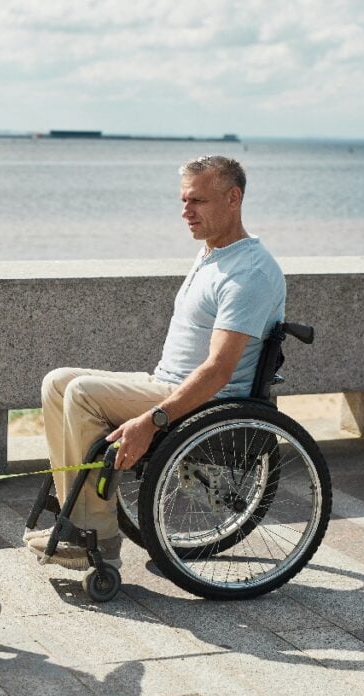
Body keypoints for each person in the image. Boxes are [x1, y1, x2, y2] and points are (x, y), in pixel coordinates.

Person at [27, 155, 286, 569]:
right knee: (57, 382)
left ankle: (97, 538)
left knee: (82, 395)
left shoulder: (249, 273)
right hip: (168, 381)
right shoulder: (213, 255)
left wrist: (152, 421)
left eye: (197, 201)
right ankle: (74, 510)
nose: (186, 212)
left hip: (210, 403)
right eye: (183, 201)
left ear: (233, 198)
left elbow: (219, 371)